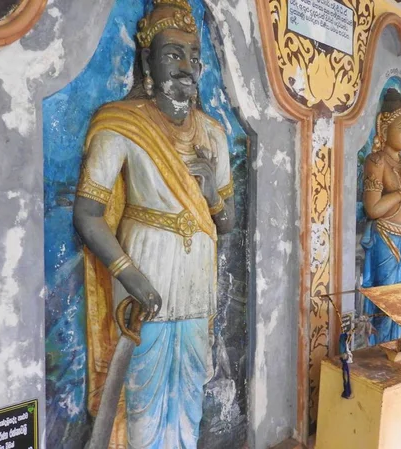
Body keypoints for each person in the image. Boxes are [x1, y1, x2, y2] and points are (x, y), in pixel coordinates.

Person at [73, 0, 235, 447]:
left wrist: (208, 197)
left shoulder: (214, 135)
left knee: (190, 383)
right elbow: (87, 215)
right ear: (148, 59)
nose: (186, 66)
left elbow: (227, 223)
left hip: (197, 277)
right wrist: (129, 274)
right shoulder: (120, 123)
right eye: (172, 54)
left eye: (192, 56)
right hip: (144, 269)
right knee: (144, 387)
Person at [361, 88, 401, 345]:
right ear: (384, 129)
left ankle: (393, 347)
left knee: (400, 298)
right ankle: (379, 351)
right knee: (385, 301)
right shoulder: (376, 161)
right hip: (384, 238)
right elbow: (372, 209)